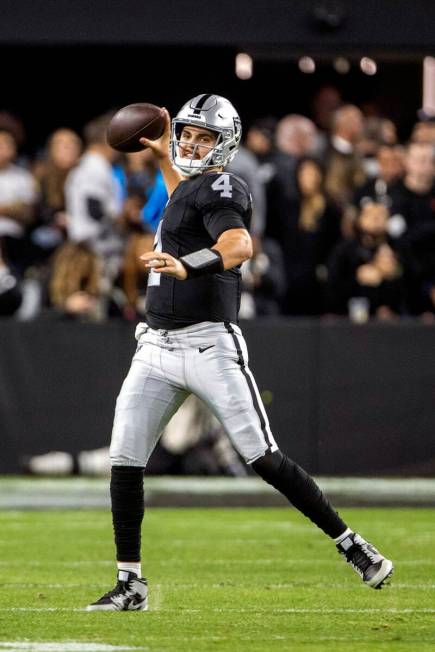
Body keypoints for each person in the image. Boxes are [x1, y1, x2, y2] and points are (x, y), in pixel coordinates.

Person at [87, 94, 393, 612]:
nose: (190, 142)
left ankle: (354, 546)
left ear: (224, 145)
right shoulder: (190, 186)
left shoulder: (227, 185)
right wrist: (165, 155)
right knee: (124, 459)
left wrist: (188, 267)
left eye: (203, 138)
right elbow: (185, 200)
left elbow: (238, 245)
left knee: (264, 458)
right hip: (157, 344)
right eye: (186, 133)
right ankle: (130, 583)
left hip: (209, 344)